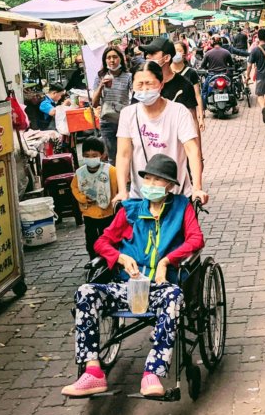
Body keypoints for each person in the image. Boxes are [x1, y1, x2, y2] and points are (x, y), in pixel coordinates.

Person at [62, 153, 204, 398]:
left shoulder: (182, 207)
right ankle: (93, 372)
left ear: (169, 185)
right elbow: (103, 242)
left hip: (160, 288)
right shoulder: (130, 210)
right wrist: (119, 258)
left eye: (157, 180)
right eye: (147, 178)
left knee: (174, 296)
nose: (150, 184)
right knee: (86, 291)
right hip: (126, 286)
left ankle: (152, 373)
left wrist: (167, 261)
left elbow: (196, 239)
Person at [115, 61, 208, 205]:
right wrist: (122, 191)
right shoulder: (128, 114)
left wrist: (197, 188)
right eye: (139, 84)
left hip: (177, 196)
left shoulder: (179, 112)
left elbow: (192, 150)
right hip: (141, 197)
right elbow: (123, 155)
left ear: (161, 84)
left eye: (149, 83)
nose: (144, 89)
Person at [71, 137, 118, 259]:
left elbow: (118, 187)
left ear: (102, 155)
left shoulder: (111, 171)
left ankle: (110, 259)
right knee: (91, 238)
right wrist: (83, 198)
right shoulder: (80, 173)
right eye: (87, 155)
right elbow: (74, 187)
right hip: (89, 214)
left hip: (108, 213)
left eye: (94, 155)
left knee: (108, 238)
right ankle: (93, 259)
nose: (90, 158)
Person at [92, 47, 132, 166]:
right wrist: (101, 86)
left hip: (124, 120)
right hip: (107, 121)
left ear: (121, 59)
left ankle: (127, 179)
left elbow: (134, 95)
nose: (112, 60)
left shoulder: (128, 76)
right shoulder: (100, 76)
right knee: (112, 156)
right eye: (108, 58)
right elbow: (94, 103)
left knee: (127, 152)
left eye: (115, 57)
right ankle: (116, 181)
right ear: (105, 61)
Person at [172, 41, 205, 134]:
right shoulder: (166, 73)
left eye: (179, 50)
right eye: (173, 51)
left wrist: (201, 117)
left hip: (189, 116)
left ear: (185, 54)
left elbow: (197, 95)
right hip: (171, 118)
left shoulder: (191, 73)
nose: (176, 53)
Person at [200, 36, 234, 107]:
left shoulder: (208, 53)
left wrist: (207, 67)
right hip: (224, 75)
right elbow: (231, 64)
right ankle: (234, 107)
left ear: (212, 44)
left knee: (204, 91)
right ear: (221, 43)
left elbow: (202, 65)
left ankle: (203, 111)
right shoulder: (226, 52)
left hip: (211, 76)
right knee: (231, 89)